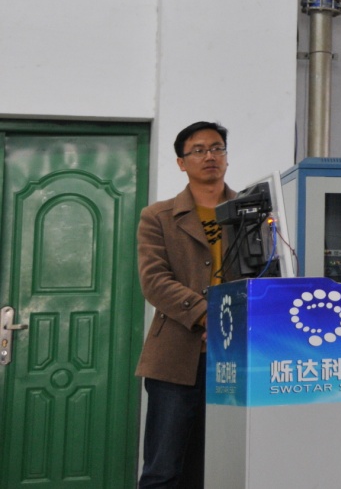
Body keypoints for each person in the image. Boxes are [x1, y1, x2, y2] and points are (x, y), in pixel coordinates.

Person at [135, 121, 238, 489]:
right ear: (181, 162)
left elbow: (267, 274)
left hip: (236, 357)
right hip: (176, 357)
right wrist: (205, 314)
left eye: (217, 148)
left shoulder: (253, 212)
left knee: (220, 464)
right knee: (164, 469)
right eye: (198, 150)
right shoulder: (158, 216)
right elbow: (154, 280)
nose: (210, 156)